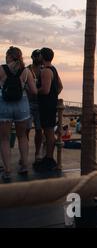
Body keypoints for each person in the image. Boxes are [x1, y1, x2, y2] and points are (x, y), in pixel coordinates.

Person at [0, 47, 38, 181]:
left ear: (10, 56)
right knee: (22, 137)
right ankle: (24, 166)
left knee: (4, 139)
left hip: (4, 106)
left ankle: (7, 170)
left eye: (6, 55)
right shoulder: (26, 71)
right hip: (22, 106)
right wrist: (24, 86)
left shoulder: (1, 69)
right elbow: (34, 91)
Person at [33, 47, 62, 172]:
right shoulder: (53, 69)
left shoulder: (45, 71)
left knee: (49, 132)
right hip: (51, 104)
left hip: (46, 106)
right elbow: (60, 87)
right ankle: (48, 157)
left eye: (39, 55)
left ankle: (49, 159)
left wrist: (34, 90)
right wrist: (54, 97)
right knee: (48, 132)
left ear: (42, 57)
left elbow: (45, 90)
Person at [26, 49, 43, 164]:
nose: (37, 58)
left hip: (40, 104)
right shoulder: (27, 70)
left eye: (39, 56)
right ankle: (25, 154)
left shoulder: (45, 70)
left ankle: (37, 153)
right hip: (27, 103)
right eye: (36, 56)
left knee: (39, 130)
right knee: (25, 130)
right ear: (32, 57)